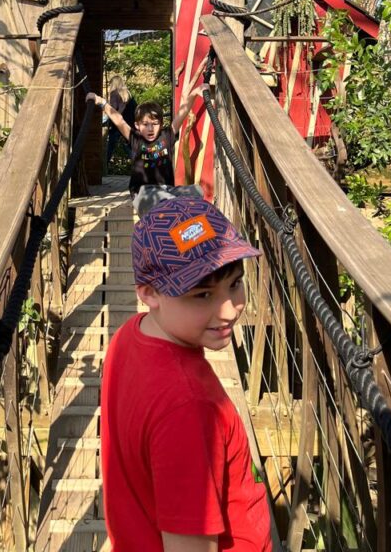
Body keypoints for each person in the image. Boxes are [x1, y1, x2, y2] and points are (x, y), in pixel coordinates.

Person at [100, 196, 272, 552]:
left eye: (235, 284)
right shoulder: (189, 408)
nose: (229, 309)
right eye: (202, 295)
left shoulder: (129, 336)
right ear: (149, 293)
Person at [89, 62, 205, 213]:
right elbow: (119, 120)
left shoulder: (166, 135)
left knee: (197, 192)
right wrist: (101, 102)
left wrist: (195, 93)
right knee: (165, 200)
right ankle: (173, 211)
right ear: (137, 125)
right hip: (143, 193)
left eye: (155, 124)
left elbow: (183, 112)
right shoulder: (136, 139)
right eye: (145, 124)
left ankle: (180, 217)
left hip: (166, 190)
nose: (150, 129)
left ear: (162, 124)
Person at [105, 74, 137, 164]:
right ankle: (139, 165)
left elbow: (113, 110)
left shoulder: (114, 93)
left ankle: (102, 168)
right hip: (131, 123)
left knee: (110, 146)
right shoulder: (128, 93)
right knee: (129, 145)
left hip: (118, 123)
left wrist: (107, 120)